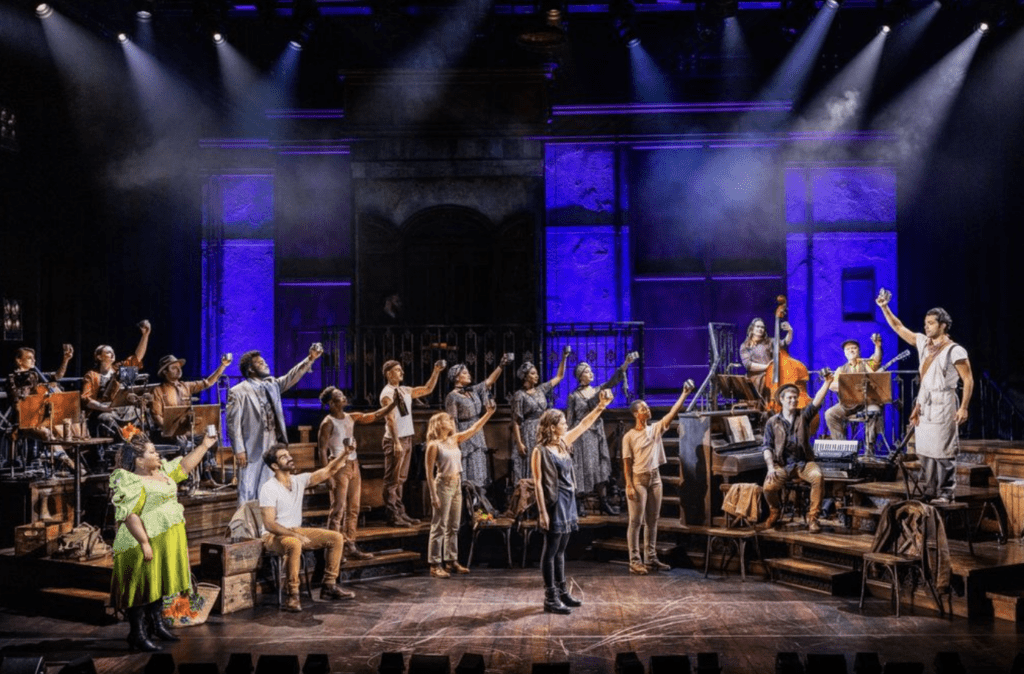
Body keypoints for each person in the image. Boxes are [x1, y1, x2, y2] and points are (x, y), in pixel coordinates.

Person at [109, 426, 217, 652]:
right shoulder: (129, 480)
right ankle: (137, 633)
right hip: (141, 541)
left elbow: (184, 466)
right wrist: (144, 542)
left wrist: (205, 445)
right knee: (141, 585)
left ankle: (156, 624)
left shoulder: (163, 473)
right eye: (151, 452)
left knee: (158, 583)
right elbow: (129, 514)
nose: (157, 454)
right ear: (139, 461)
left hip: (166, 538)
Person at [876, 291, 973, 503]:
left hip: (944, 402)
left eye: (931, 323)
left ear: (943, 325)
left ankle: (945, 492)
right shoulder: (923, 343)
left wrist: (964, 407)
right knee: (926, 451)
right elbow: (899, 327)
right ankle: (930, 490)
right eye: (925, 323)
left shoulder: (955, 350)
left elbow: (968, 380)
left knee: (943, 450)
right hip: (925, 403)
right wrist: (884, 308)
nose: (926, 327)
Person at [532, 388, 614, 614]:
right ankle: (550, 597)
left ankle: (562, 591)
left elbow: (584, 424)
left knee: (561, 550)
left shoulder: (563, 442)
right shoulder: (540, 451)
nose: (566, 425)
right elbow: (537, 483)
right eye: (562, 422)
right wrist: (542, 512)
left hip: (568, 500)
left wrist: (601, 406)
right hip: (554, 502)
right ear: (552, 426)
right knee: (551, 550)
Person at [259, 444, 353, 612]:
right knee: (294, 544)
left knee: (336, 538)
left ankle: (329, 586)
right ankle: (292, 595)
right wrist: (295, 536)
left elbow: (328, 470)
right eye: (283, 457)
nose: (290, 458)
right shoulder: (269, 488)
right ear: (274, 466)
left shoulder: (298, 481)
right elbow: (269, 524)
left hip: (295, 530)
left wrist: (345, 453)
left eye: (288, 454)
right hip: (273, 535)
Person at [227, 343, 322, 505]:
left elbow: (291, 377)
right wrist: (239, 449)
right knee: (247, 489)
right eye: (260, 363)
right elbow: (232, 423)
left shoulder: (272, 385)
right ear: (250, 369)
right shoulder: (238, 391)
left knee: (268, 488)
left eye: (264, 362)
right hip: (251, 447)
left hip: (272, 444)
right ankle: (245, 520)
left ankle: (268, 519)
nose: (265, 364)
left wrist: (310, 359)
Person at [622, 379, 694, 575]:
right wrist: (628, 485)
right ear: (636, 414)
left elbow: (671, 414)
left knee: (653, 520)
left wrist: (684, 394)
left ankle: (651, 557)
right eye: (644, 408)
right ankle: (634, 560)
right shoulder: (629, 436)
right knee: (636, 521)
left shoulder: (654, 429)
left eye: (647, 407)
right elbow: (627, 463)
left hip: (655, 479)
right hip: (638, 480)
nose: (648, 410)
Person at [317, 386, 395, 560]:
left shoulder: (350, 417)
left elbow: (374, 415)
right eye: (339, 396)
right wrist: (326, 475)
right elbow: (322, 450)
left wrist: (393, 404)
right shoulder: (328, 423)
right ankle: (333, 549)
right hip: (338, 466)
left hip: (353, 464)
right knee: (338, 509)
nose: (344, 397)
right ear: (332, 403)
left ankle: (350, 544)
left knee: (354, 508)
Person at [425, 399, 497, 578]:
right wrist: (433, 495)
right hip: (443, 484)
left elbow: (474, 429)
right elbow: (428, 473)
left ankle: (451, 560)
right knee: (439, 525)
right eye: (447, 419)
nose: (451, 421)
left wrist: (488, 413)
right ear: (438, 424)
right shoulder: (434, 445)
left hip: (457, 483)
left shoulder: (454, 439)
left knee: (454, 525)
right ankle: (435, 564)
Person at [565, 353, 637, 516]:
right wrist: (568, 440)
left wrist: (626, 363)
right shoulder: (573, 396)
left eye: (591, 371)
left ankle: (604, 501)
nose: (591, 373)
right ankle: (580, 503)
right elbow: (569, 419)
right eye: (587, 371)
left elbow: (613, 381)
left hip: (596, 432)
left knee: (600, 466)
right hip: (581, 435)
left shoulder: (598, 390)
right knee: (582, 466)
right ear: (580, 376)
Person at [761, 372, 834, 533]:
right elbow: (767, 447)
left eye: (795, 397)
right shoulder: (772, 422)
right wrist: (770, 467)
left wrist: (827, 383)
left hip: (803, 463)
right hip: (782, 465)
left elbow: (816, 401)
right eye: (790, 398)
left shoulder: (803, 416)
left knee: (818, 477)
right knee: (768, 488)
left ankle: (813, 518)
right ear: (781, 400)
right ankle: (775, 511)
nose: (793, 400)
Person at [379, 359, 446, 527]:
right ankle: (393, 516)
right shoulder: (387, 393)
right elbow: (390, 419)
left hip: (407, 438)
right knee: (392, 481)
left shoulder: (403, 390)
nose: (402, 372)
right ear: (389, 374)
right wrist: (396, 442)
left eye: (401, 369)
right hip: (395, 439)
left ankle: (401, 513)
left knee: (401, 479)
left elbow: (427, 389)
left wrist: (436, 371)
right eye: (397, 370)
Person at [152, 353, 232, 480]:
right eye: (174, 368)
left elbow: (207, 383)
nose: (178, 370)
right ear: (165, 372)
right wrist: (172, 430)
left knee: (211, 436)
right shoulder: (158, 391)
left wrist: (223, 366)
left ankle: (207, 471)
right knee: (182, 444)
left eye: (179, 367)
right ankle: (184, 477)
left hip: (187, 430)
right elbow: (157, 416)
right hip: (169, 434)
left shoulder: (186, 386)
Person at [444, 355, 510, 490]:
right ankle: (467, 496)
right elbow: (452, 421)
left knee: (479, 466)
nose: (468, 374)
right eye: (464, 373)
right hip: (464, 433)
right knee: (467, 467)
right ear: (456, 377)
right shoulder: (452, 397)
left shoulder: (473, 391)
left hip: (478, 433)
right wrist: (456, 443)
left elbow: (489, 382)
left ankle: (478, 498)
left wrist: (501, 365)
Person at [6, 344, 75, 471]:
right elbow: (17, 405)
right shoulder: (12, 379)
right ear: (19, 361)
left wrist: (66, 360)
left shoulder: (34, 375)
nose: (33, 360)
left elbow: (57, 376)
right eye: (29, 358)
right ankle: (68, 462)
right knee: (46, 433)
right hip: (22, 421)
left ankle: (62, 461)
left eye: (34, 358)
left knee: (65, 430)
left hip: (39, 417)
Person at [509, 347, 571, 485]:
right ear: (525, 376)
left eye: (536, 373)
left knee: (546, 459)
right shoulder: (519, 395)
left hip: (543, 429)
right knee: (532, 460)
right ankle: (531, 491)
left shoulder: (541, 389)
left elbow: (559, 376)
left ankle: (546, 489)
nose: (536, 376)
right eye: (533, 373)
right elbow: (516, 421)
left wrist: (564, 357)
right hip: (529, 431)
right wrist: (519, 443)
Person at [82, 320, 151, 436]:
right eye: (109, 352)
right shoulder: (92, 375)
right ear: (99, 357)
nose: (113, 354)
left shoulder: (119, 369)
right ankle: (121, 442)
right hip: (103, 410)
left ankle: (138, 441)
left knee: (143, 413)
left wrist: (145, 336)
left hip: (122, 409)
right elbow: (86, 399)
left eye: (113, 352)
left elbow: (136, 358)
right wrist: (104, 408)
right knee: (106, 419)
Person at [824, 334, 883, 452]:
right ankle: (842, 448)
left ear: (858, 351)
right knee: (830, 414)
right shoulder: (841, 369)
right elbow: (831, 385)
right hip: (848, 404)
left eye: (854, 348)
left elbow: (876, 360)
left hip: (866, 403)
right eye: (848, 349)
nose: (851, 350)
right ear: (845, 353)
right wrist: (849, 386)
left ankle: (869, 449)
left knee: (874, 412)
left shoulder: (866, 363)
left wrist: (877, 346)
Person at [740, 316, 793, 398]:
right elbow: (748, 365)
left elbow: (785, 342)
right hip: (755, 377)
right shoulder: (745, 345)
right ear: (752, 329)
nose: (760, 329)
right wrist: (766, 367)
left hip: (770, 374)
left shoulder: (769, 341)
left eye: (762, 327)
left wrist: (790, 331)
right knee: (766, 380)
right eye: (758, 326)